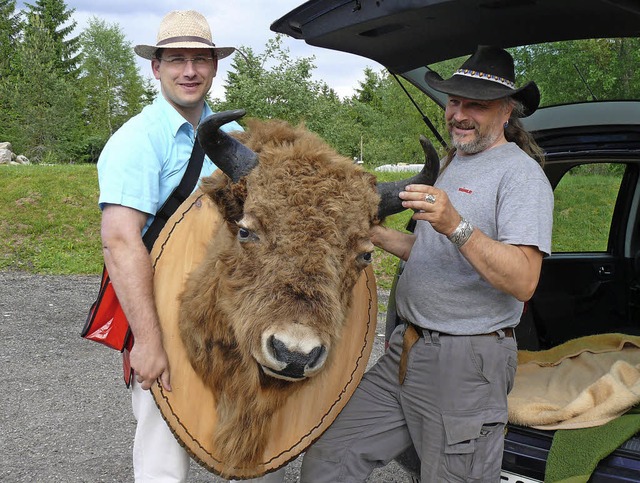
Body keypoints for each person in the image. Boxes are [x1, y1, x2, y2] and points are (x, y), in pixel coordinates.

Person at [299, 45, 554, 482]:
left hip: (467, 361)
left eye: (477, 104)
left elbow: (525, 279)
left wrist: (456, 224)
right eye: (455, 100)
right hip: (408, 349)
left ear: (507, 112)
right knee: (330, 458)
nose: (459, 114)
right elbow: (433, 254)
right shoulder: (455, 162)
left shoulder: (521, 176)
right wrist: (375, 233)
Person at [97, 10, 285, 483]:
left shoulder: (237, 144)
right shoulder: (137, 141)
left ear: (214, 68)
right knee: (164, 455)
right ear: (155, 67)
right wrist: (148, 341)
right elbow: (120, 242)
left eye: (201, 60)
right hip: (160, 315)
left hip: (228, 320)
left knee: (257, 442)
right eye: (176, 59)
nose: (190, 71)